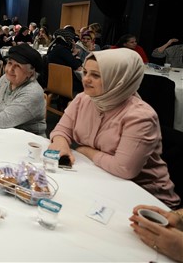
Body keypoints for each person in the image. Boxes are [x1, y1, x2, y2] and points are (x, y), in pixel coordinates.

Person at [48, 48, 180, 208]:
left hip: (146, 200)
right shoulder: (84, 99)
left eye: (95, 75)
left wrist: (85, 150)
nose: (86, 79)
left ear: (119, 79)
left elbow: (124, 169)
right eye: (85, 72)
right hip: (101, 181)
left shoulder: (140, 116)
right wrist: (62, 145)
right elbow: (60, 131)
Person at [47, 28, 83, 94]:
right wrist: (76, 53)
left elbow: (65, 59)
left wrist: (73, 53)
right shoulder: (62, 49)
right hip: (67, 84)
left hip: (53, 82)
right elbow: (77, 64)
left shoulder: (53, 47)